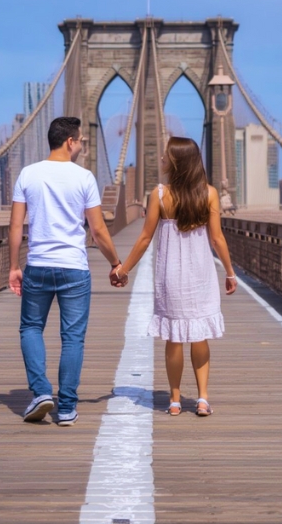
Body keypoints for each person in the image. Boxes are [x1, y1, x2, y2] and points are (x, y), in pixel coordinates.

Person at [8, 116, 124, 426]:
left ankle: (42, 392)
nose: (83, 144)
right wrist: (116, 264)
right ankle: (67, 407)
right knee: (73, 338)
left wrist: (13, 266)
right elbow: (98, 230)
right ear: (70, 142)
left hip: (39, 265)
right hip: (73, 267)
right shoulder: (84, 178)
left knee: (31, 328)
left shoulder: (28, 174)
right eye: (82, 140)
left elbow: (16, 226)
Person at [113, 137, 237, 417]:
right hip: (201, 275)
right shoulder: (210, 194)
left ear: (178, 162)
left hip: (171, 276)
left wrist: (123, 270)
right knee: (199, 336)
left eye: (166, 156)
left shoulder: (159, 195)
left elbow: (145, 238)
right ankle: (203, 399)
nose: (161, 160)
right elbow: (217, 239)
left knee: (174, 338)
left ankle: (174, 400)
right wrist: (230, 272)